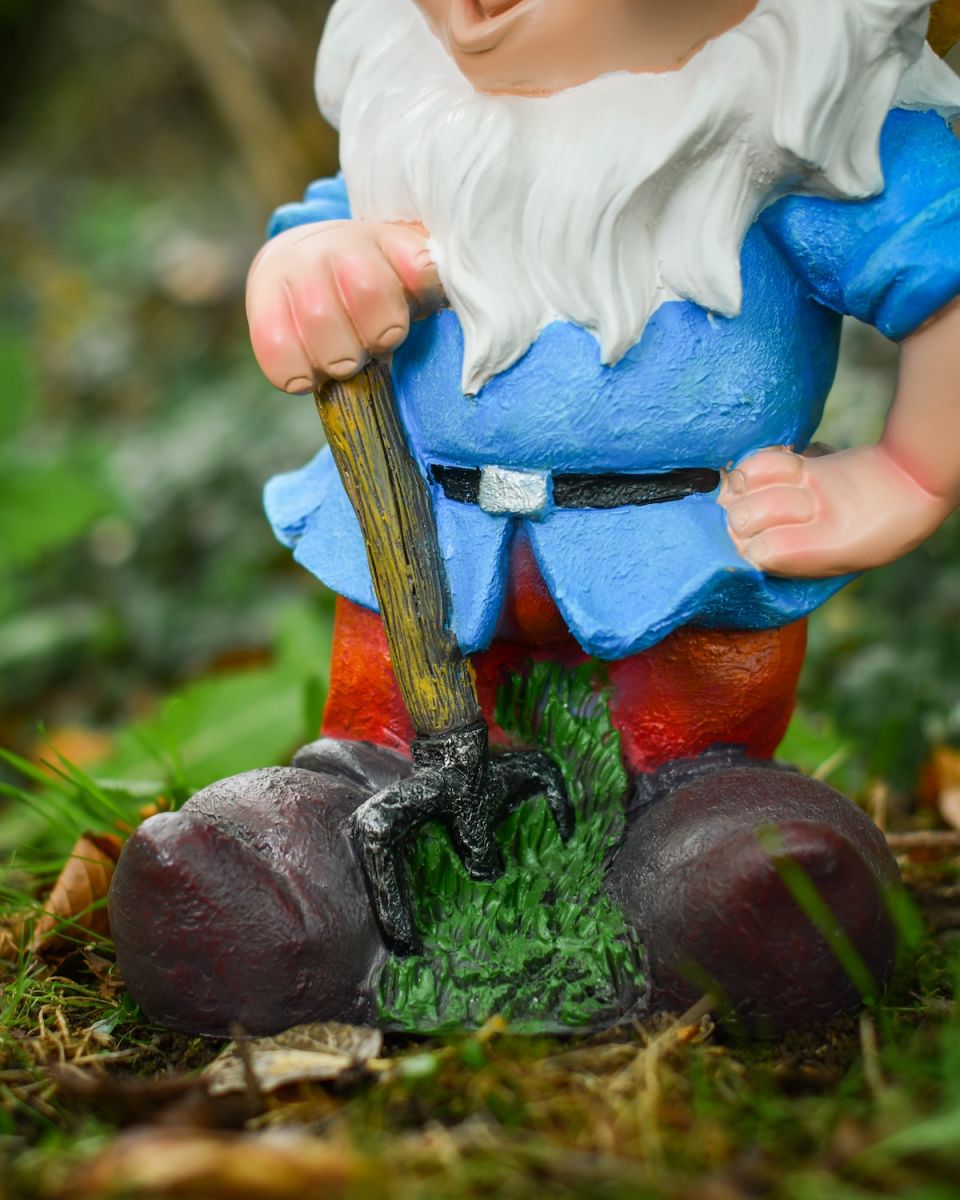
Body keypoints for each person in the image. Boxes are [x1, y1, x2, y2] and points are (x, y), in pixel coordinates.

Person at [110, 0, 960, 1036]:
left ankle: (717, 863)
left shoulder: (784, 137)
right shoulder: (418, 125)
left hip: (681, 574)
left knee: (695, 779)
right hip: (425, 555)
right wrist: (310, 272)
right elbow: (326, 229)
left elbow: (947, 273)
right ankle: (297, 866)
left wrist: (912, 472)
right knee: (376, 746)